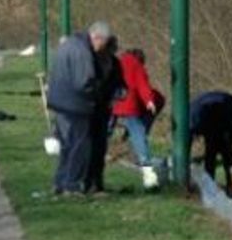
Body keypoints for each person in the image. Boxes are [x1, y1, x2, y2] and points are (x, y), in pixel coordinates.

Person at [47, 22, 113, 196]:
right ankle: (72, 184)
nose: (100, 49)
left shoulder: (68, 44)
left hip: (60, 102)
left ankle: (60, 183)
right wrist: (98, 93)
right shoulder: (83, 52)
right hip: (75, 105)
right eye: (102, 45)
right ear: (97, 37)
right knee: (80, 146)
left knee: (67, 146)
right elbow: (83, 82)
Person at [87, 36, 125, 193]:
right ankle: (87, 182)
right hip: (90, 109)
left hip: (104, 110)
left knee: (100, 147)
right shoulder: (91, 62)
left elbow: (121, 85)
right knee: (89, 147)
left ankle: (97, 182)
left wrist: (118, 95)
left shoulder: (115, 64)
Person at [190, 91, 232, 197]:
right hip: (210, 114)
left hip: (230, 111)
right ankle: (210, 186)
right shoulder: (193, 116)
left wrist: (228, 138)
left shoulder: (230, 110)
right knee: (211, 152)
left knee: (227, 153)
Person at [112, 48, 159, 166]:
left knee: (104, 129)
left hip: (112, 101)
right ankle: (144, 158)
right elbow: (142, 84)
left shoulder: (118, 61)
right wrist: (149, 101)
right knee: (138, 131)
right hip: (128, 103)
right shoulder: (136, 65)